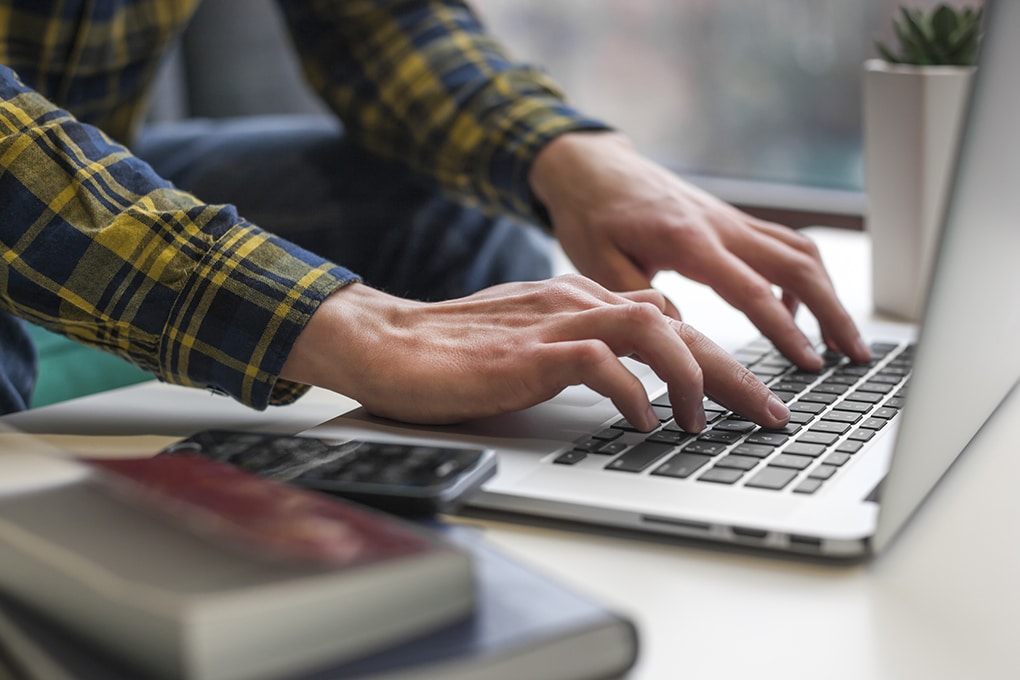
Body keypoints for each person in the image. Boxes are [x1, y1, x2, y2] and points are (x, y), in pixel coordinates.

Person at [0, 0, 869, 433]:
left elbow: (380, 21)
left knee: (443, 223)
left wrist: (572, 156)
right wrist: (357, 323)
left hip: (79, 150)